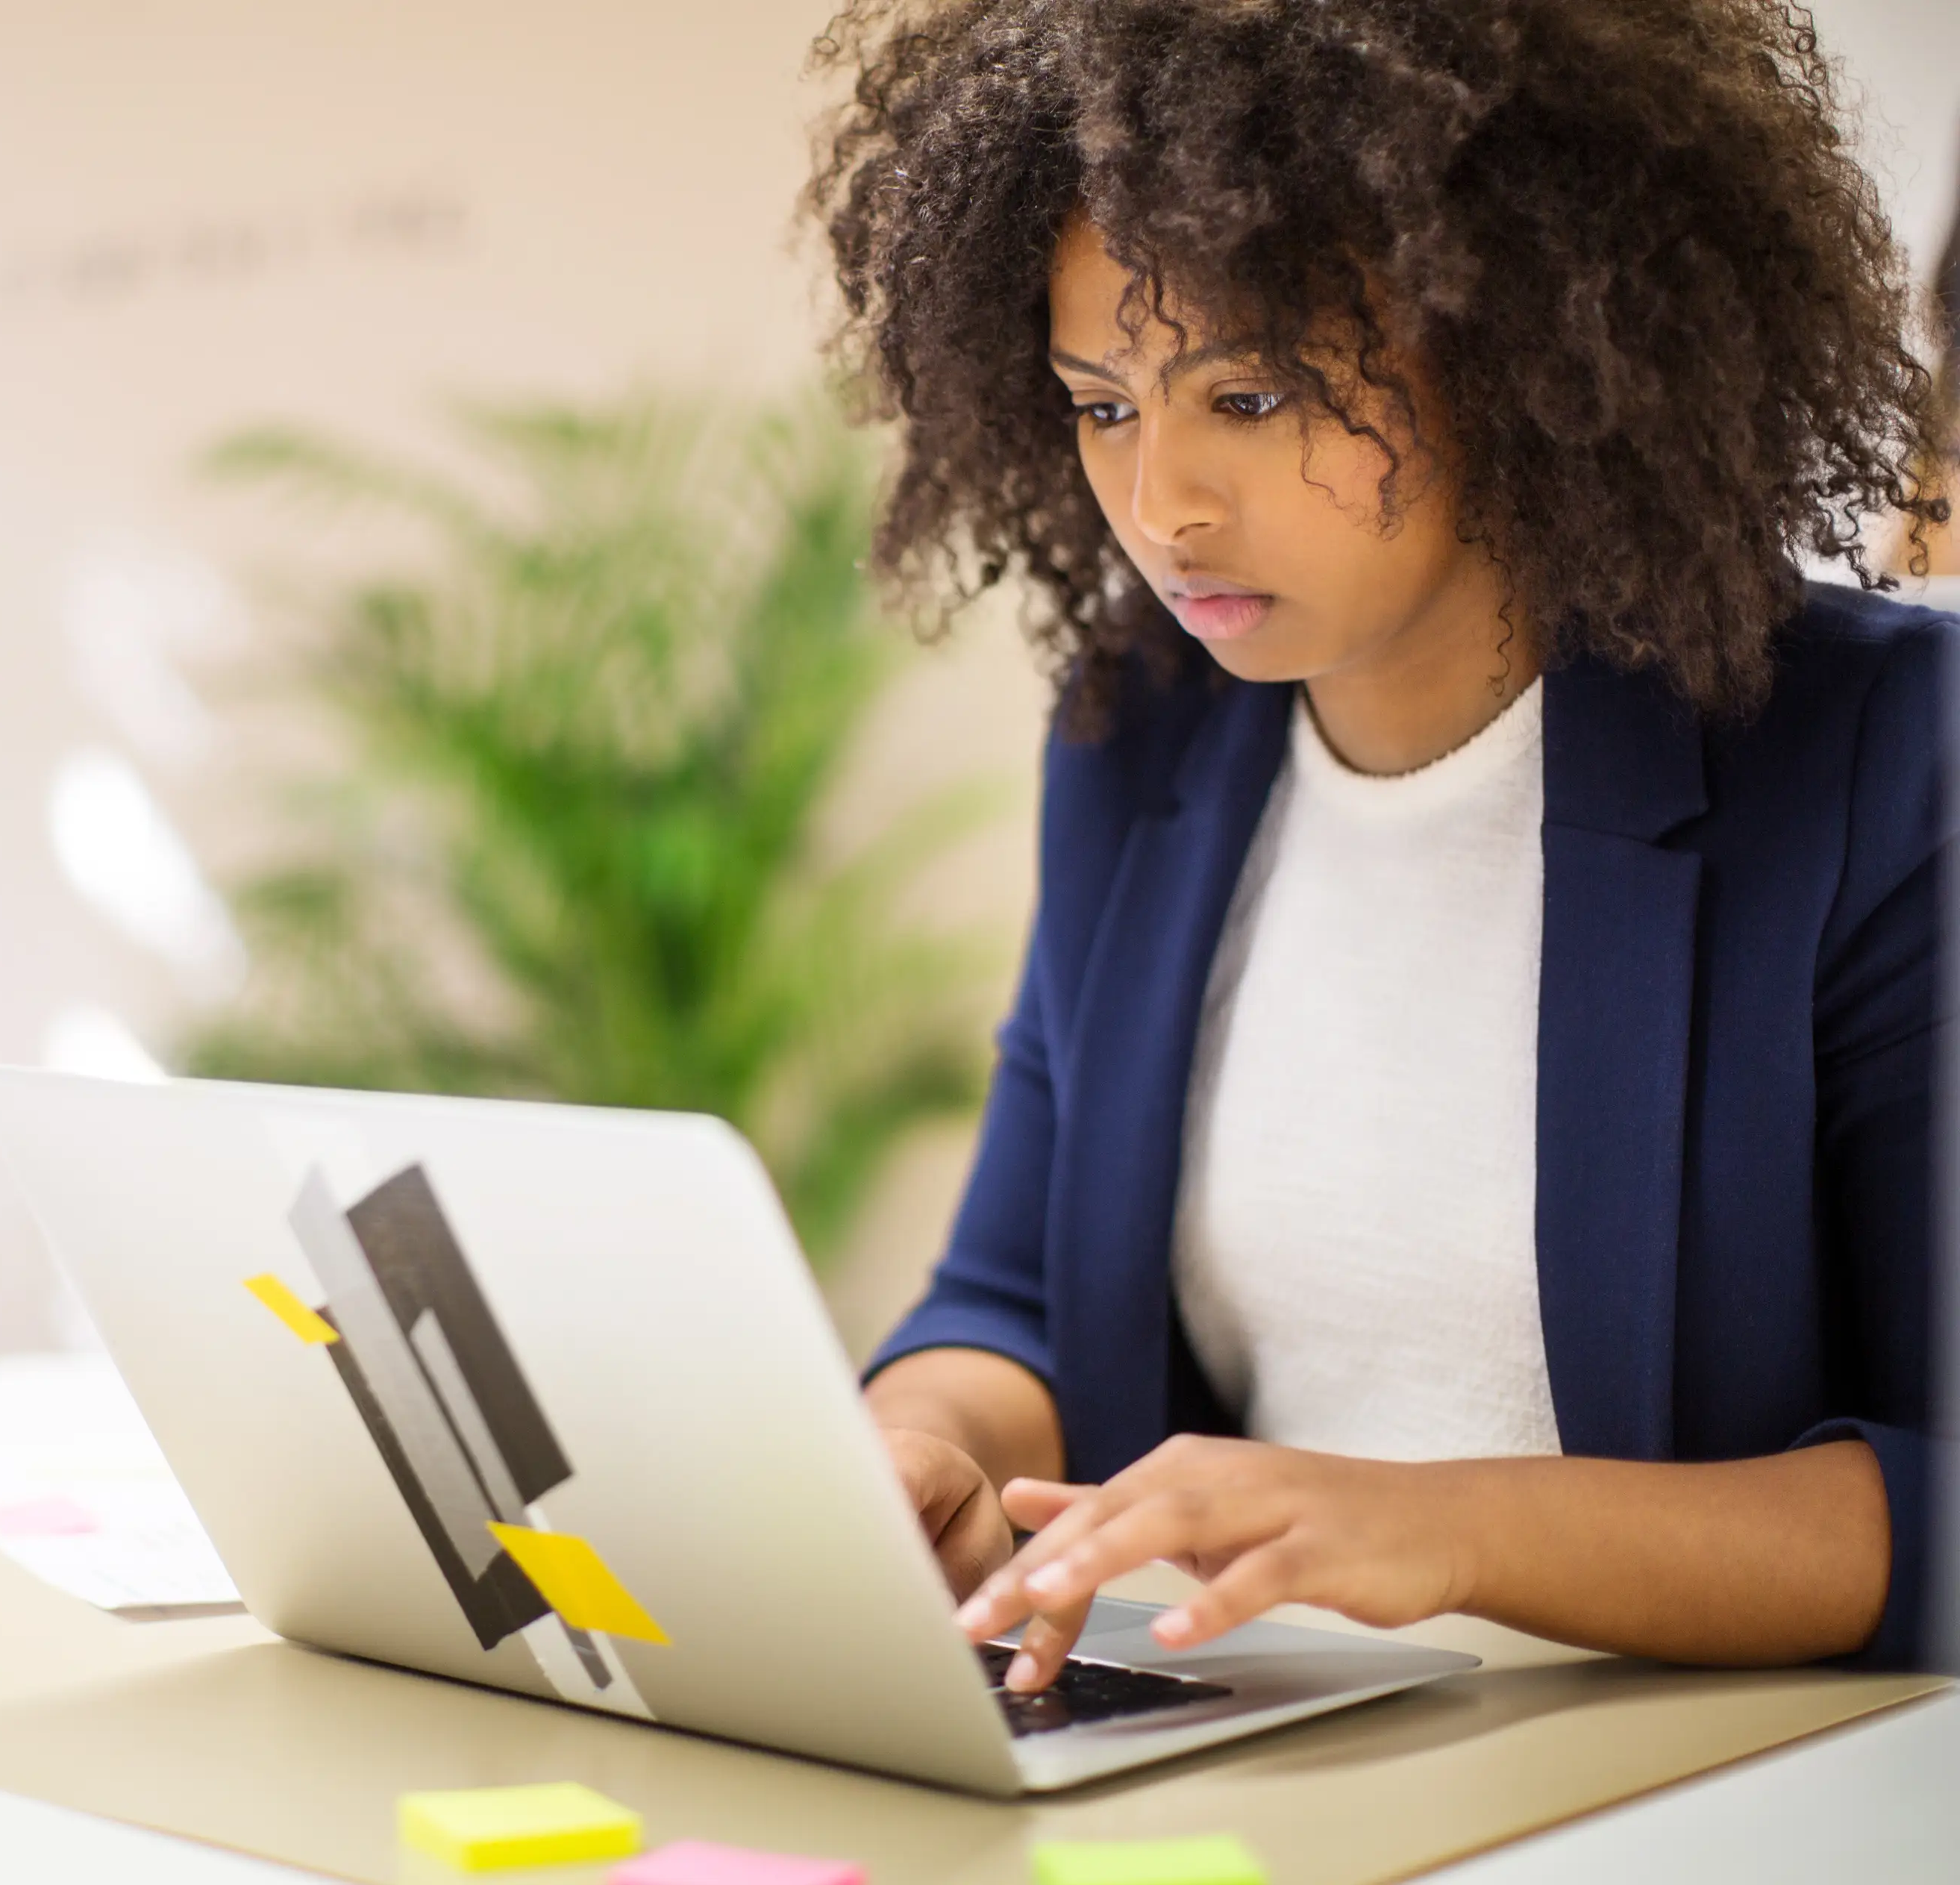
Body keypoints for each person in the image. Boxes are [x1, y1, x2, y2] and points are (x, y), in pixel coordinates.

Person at [810, 0, 1950, 1683]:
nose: (1163, 503)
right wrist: (920, 1451)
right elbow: (1020, 1297)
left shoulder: (1874, 754)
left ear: (1514, 342)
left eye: (1252, 397)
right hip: (1276, 1769)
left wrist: (1443, 1525)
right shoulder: (1142, 738)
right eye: (1102, 405)